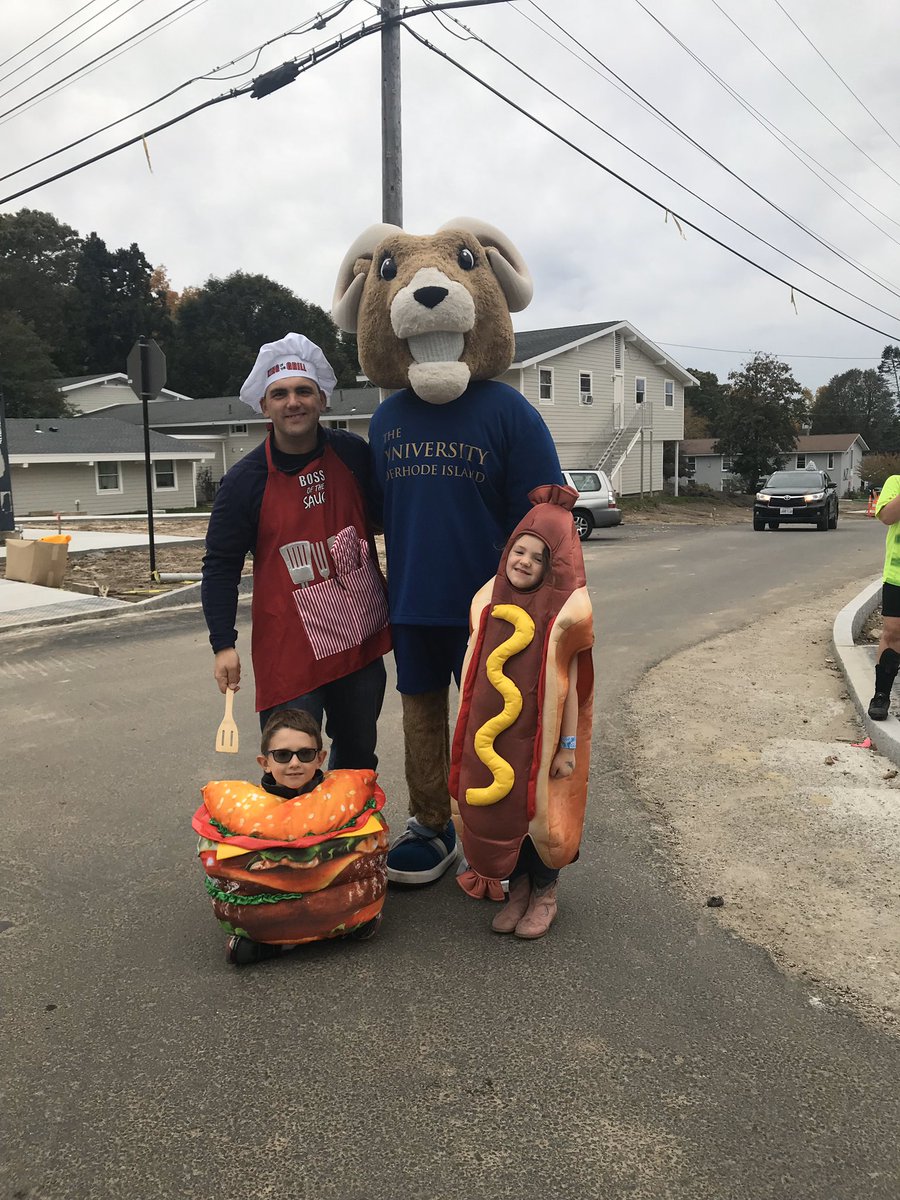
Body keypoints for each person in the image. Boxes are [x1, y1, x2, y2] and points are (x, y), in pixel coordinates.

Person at [201, 333, 391, 767]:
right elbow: (220, 567)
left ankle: (352, 836)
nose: (293, 402)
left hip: (357, 644)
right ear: (265, 406)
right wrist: (222, 643)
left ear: (322, 399)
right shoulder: (244, 482)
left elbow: (388, 517)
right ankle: (292, 837)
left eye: (303, 391)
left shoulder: (352, 454)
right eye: (280, 394)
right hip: (289, 651)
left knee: (358, 759)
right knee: (292, 765)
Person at [450, 485, 594, 939]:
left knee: (542, 818)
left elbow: (572, 691)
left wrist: (567, 746)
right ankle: (517, 891)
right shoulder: (488, 603)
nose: (525, 562)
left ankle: (545, 894)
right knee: (504, 813)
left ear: (556, 567)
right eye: (519, 550)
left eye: (539, 557)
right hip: (495, 742)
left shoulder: (561, 619)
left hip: (543, 743)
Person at [222, 709, 328, 964]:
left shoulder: (336, 801)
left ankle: (294, 941)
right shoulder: (249, 811)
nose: (294, 763)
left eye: (305, 754)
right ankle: (283, 941)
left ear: (320, 758)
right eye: (282, 755)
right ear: (265, 763)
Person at [868, 476, 900, 719]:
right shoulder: (896, 482)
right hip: (898, 576)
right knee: (893, 634)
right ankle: (881, 695)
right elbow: (887, 517)